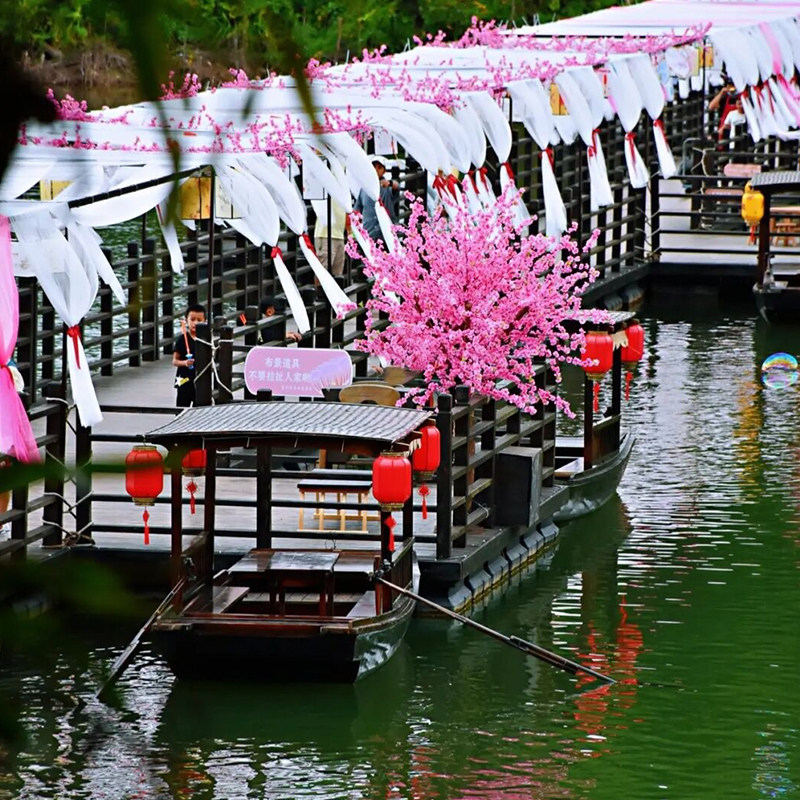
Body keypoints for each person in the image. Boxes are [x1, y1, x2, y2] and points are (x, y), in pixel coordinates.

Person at [354, 157, 399, 242]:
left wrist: (390, 183)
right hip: (368, 232)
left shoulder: (387, 186)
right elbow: (357, 210)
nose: (376, 170)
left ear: (384, 171)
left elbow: (396, 186)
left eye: (379, 168)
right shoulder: (364, 188)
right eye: (373, 167)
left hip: (385, 234)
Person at [172, 304, 206, 408]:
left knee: (199, 407)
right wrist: (185, 363)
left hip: (200, 378)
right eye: (192, 319)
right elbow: (175, 361)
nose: (195, 323)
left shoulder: (206, 339)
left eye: (199, 320)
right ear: (187, 320)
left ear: (205, 321)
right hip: (184, 378)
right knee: (182, 405)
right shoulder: (182, 339)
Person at [313, 197, 347, 276]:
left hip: (339, 234)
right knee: (323, 273)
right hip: (325, 234)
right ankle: (320, 288)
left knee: (338, 274)